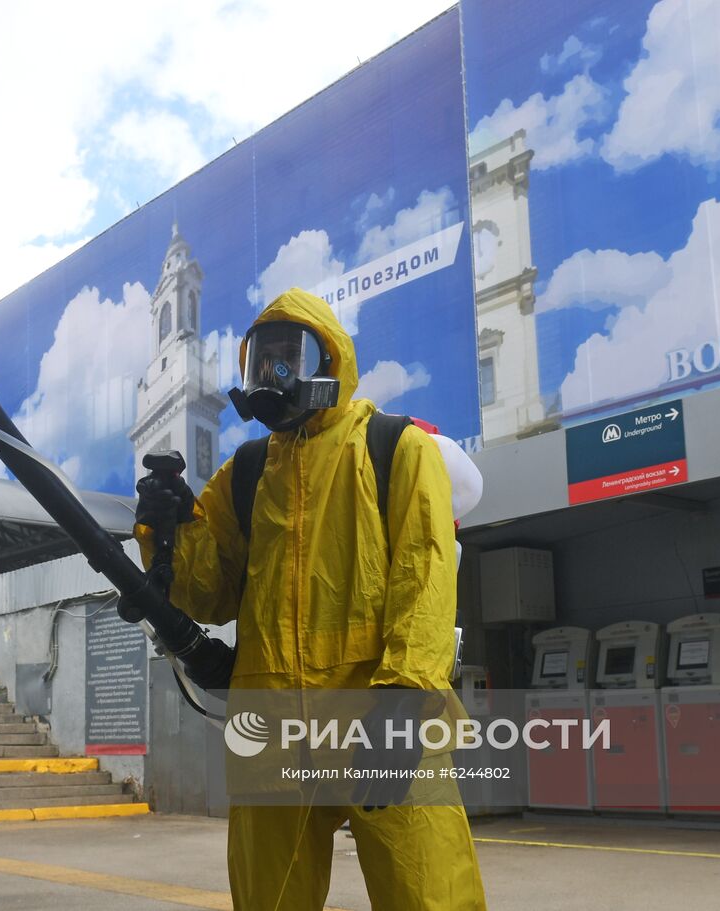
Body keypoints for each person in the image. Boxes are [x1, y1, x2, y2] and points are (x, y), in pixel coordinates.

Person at [135, 288, 486, 910]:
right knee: (269, 900)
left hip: (381, 712)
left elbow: (425, 582)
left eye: (286, 359)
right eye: (260, 363)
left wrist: (404, 702)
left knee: (426, 891)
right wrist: (170, 530)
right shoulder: (245, 472)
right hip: (274, 727)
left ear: (328, 362)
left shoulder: (393, 446)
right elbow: (208, 593)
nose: (271, 376)